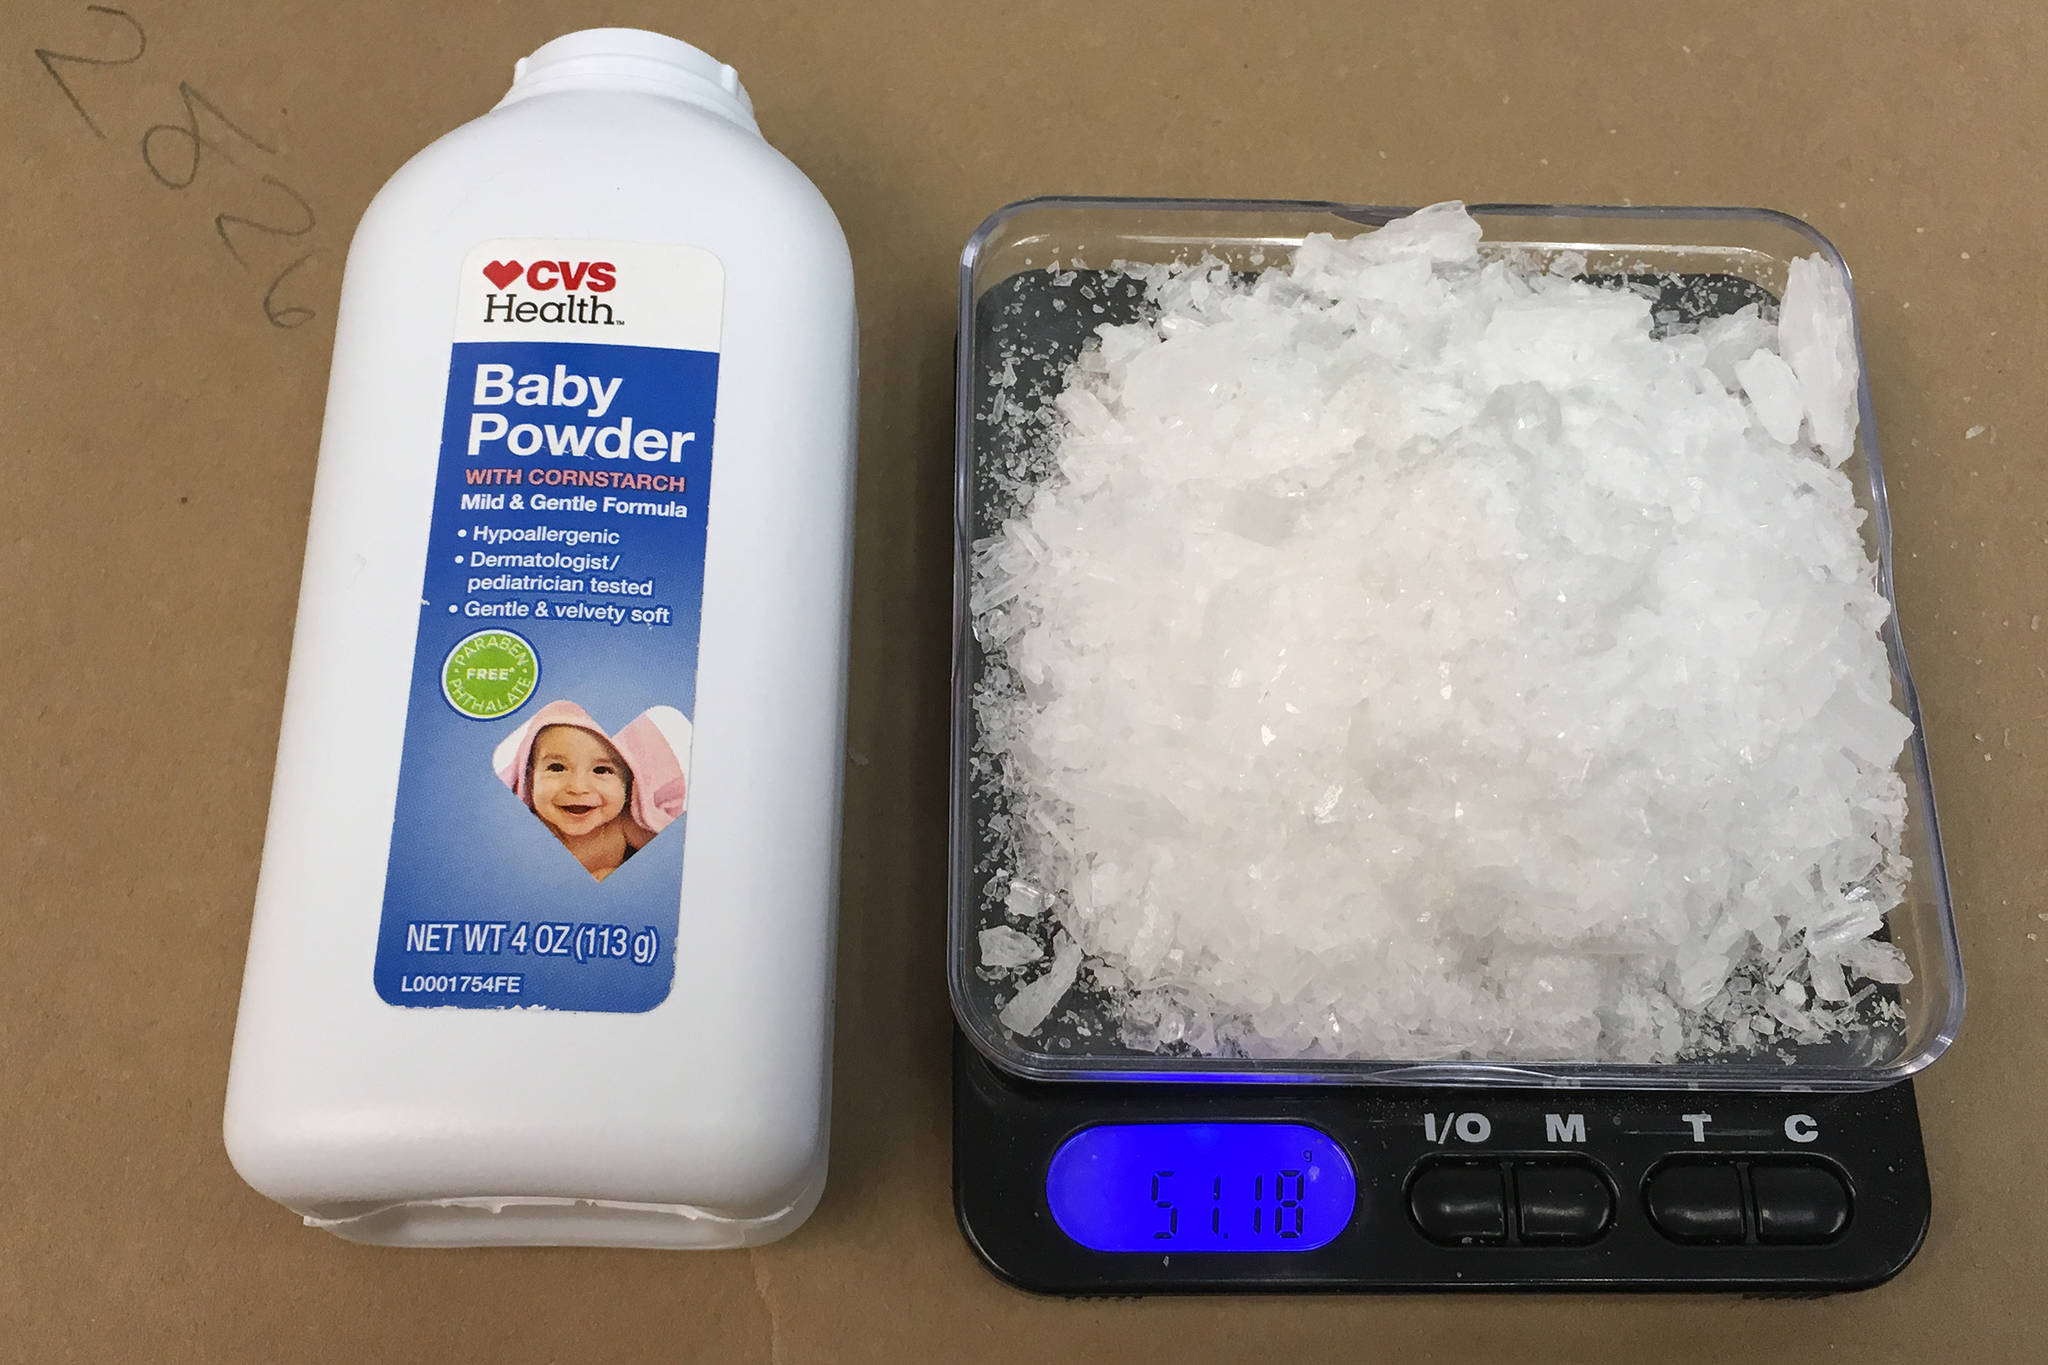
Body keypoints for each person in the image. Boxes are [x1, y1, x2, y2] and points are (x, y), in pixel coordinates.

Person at [492, 700, 646, 881]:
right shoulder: (528, 831)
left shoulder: (623, 824)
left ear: (628, 783)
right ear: (529, 778)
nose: (578, 788)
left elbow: (666, 857)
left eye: (601, 770)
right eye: (557, 768)